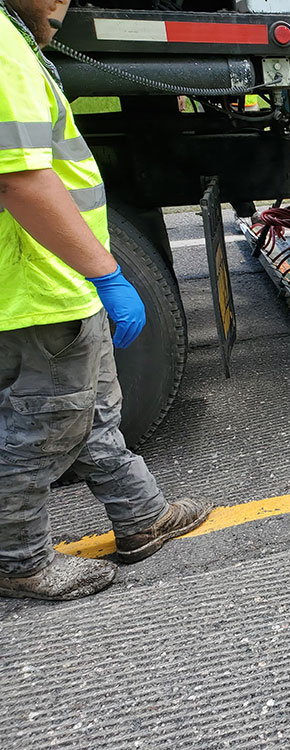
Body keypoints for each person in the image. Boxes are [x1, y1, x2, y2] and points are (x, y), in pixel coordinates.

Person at [0, 0, 210, 601]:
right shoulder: (2, 46)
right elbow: (19, 178)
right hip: (38, 290)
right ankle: (18, 561)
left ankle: (142, 517)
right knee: (42, 434)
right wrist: (106, 272)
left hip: (55, 279)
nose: (64, 1)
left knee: (89, 417)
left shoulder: (14, 37)